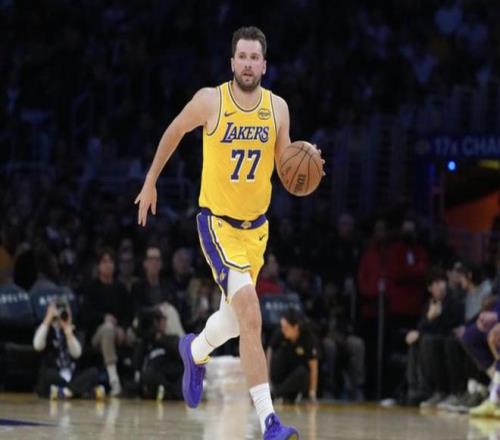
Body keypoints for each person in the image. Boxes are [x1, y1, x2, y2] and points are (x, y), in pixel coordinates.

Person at [135, 26, 323, 439]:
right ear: (232, 62)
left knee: (235, 323)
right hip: (217, 224)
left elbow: (286, 167)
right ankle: (270, 422)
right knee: (251, 312)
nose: (248, 64)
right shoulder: (211, 100)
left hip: (256, 231)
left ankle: (194, 350)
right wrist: (151, 181)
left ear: (264, 65)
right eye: (242, 57)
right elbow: (174, 130)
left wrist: (304, 161)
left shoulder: (278, 109)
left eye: (255, 57)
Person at [33, 301, 103, 400]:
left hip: (72, 375)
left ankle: (64, 392)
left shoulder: (75, 330)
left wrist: (68, 331)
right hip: (55, 375)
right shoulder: (46, 329)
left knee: (93, 372)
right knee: (46, 374)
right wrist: (47, 320)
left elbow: (76, 354)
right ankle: (78, 391)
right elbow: (37, 346)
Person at [266, 309, 318, 403]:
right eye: (282, 327)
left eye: (286, 328)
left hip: (296, 379)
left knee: (303, 373)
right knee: (278, 356)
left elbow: (313, 368)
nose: (283, 330)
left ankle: (275, 394)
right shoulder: (280, 333)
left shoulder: (307, 338)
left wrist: (312, 393)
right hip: (281, 376)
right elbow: (270, 350)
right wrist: (267, 378)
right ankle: (275, 392)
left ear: (295, 327)